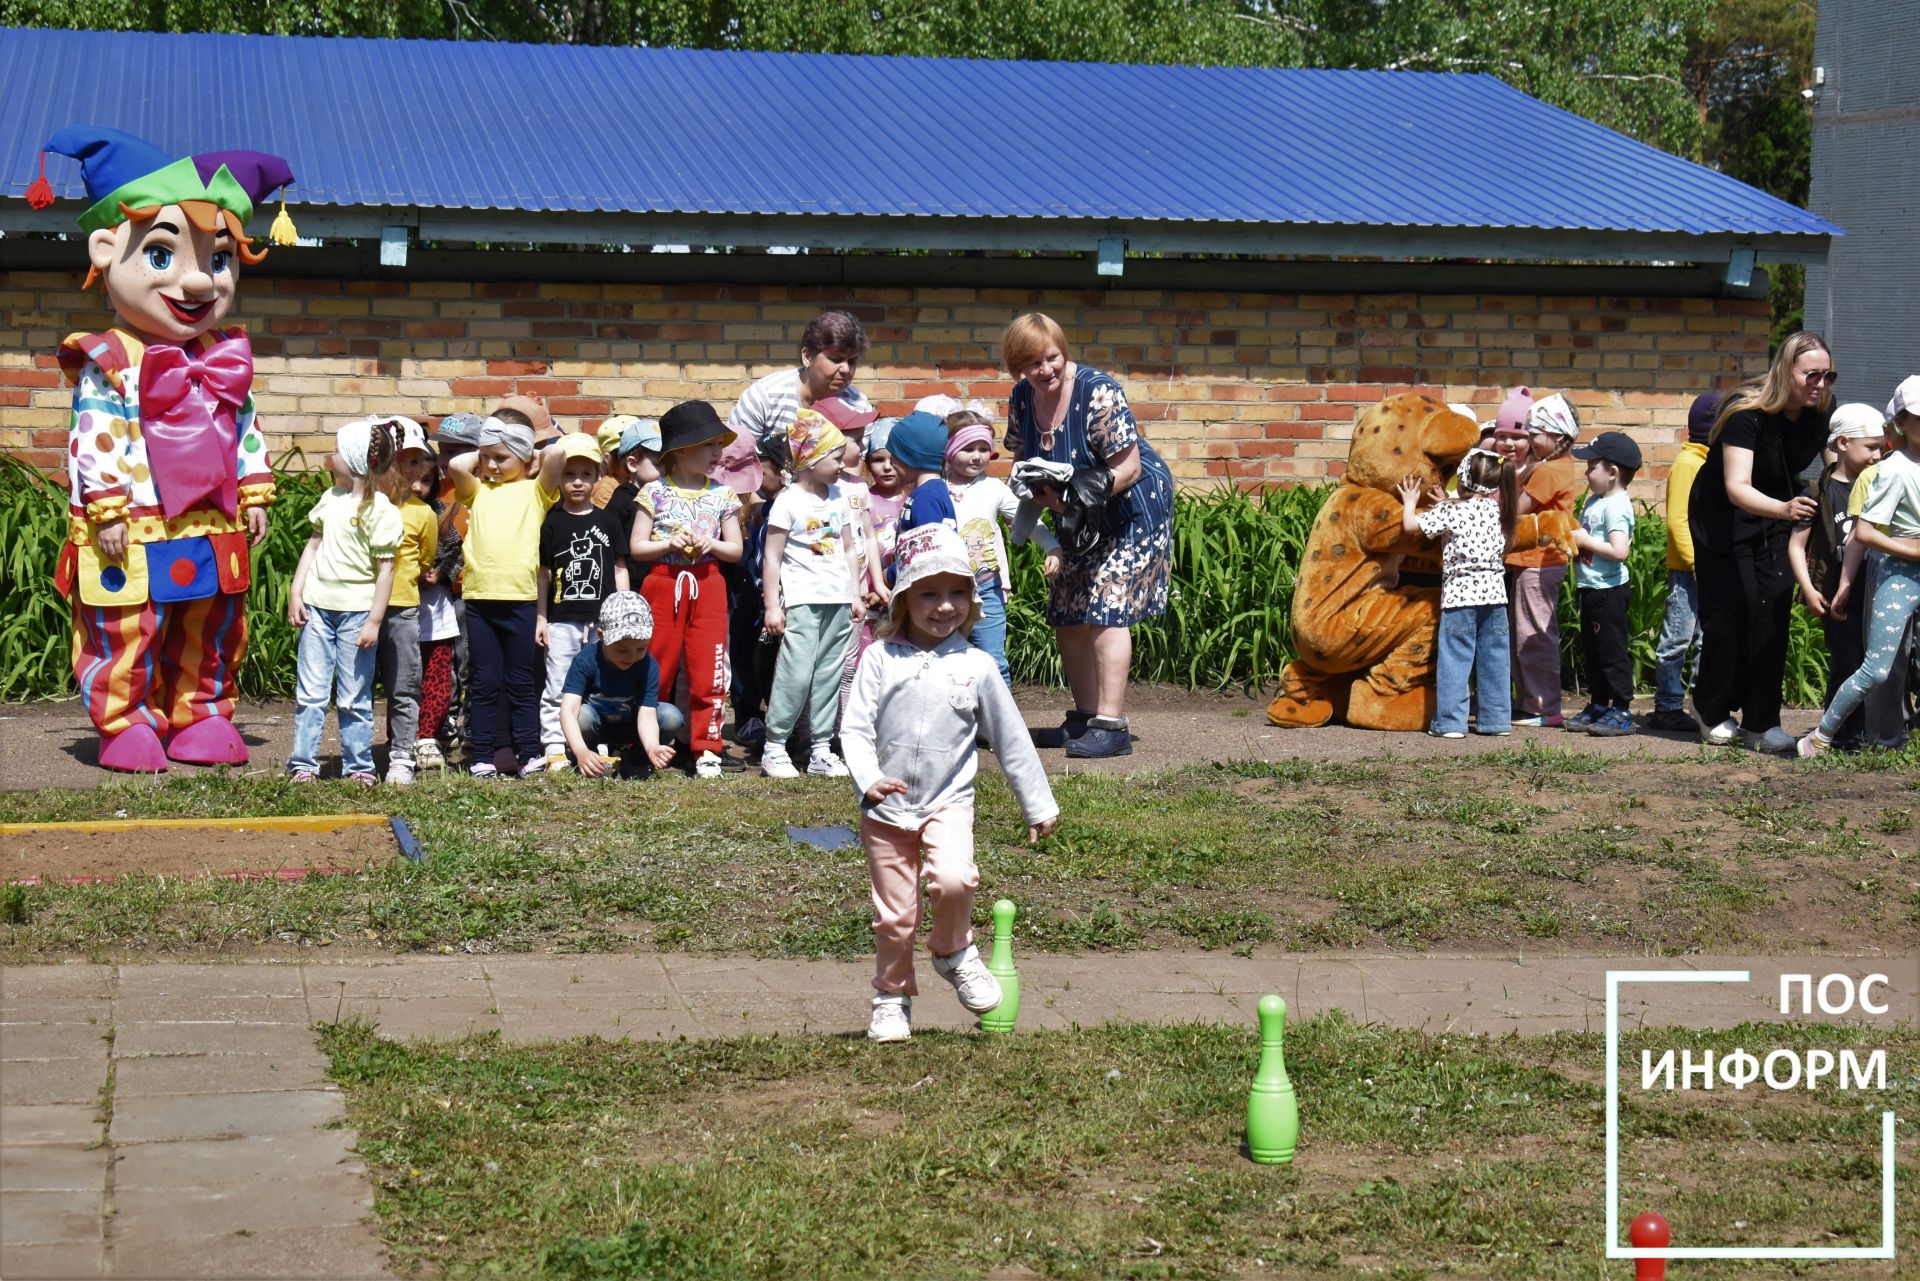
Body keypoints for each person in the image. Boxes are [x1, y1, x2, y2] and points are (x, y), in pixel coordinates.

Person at [842, 524, 1060, 1043]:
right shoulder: (880, 658)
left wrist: (1037, 803)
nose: (945, 607)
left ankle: (952, 949)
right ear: (904, 599)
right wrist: (869, 780)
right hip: (886, 813)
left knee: (956, 879)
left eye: (958, 592)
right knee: (895, 917)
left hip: (949, 804)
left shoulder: (978, 666)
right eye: (930, 594)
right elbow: (853, 728)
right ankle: (892, 998)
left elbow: (1011, 740)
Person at [1002, 313, 1174, 759]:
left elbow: (1128, 467)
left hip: (1131, 507)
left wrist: (1073, 499)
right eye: (1033, 364)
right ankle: (1083, 719)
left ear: (1063, 350)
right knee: (1069, 609)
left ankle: (1111, 726)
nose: (1046, 370)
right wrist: (1031, 496)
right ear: (1018, 367)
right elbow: (1024, 459)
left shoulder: (1098, 391)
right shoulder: (1021, 397)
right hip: (1073, 511)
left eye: (1052, 357)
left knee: (1106, 607)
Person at [1689, 333, 1835, 752]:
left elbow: (1835, 466)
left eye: (1828, 375)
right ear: (1785, 371)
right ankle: (1710, 709)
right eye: (1811, 374)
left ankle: (1761, 722)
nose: (1820, 383)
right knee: (1735, 611)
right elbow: (1736, 487)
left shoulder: (1821, 413)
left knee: (1772, 610)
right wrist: (1786, 511)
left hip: (1777, 512)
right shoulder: (1746, 415)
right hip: (1725, 519)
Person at [1800, 384, 1920, 756]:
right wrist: (1912, 551)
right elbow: (1865, 532)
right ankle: (1820, 736)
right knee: (1880, 669)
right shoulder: (1895, 470)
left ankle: (1894, 737)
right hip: (1898, 576)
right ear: (1900, 422)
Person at [630, 400, 744, 779]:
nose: (718, 452)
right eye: (709, 444)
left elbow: (736, 550)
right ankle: (651, 742)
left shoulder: (723, 495)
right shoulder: (654, 492)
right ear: (679, 451)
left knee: (708, 666)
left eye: (719, 443)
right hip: (662, 582)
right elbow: (637, 548)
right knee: (657, 664)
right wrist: (669, 544)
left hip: (708, 584)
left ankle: (706, 746)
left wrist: (709, 544)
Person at [447, 418, 565, 778]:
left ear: (525, 458)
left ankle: (529, 751)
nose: (491, 465)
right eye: (486, 458)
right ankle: (481, 754)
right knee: (484, 681)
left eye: (501, 458)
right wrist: (488, 450)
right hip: (480, 600)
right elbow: (455, 465)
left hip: (521, 599)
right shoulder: (478, 490)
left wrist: (531, 454)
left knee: (521, 681)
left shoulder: (536, 491)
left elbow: (558, 453)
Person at [286, 420, 403, 783]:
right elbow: (313, 547)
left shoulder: (383, 512)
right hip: (318, 611)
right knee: (310, 693)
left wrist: (373, 621)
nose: (329, 456)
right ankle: (302, 765)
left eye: (336, 451)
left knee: (354, 696)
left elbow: (386, 572)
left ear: (352, 460)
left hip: (356, 616)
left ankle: (359, 767)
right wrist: (296, 592)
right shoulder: (329, 501)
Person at [760, 409, 865, 779]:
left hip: (838, 600)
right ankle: (775, 746)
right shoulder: (788, 501)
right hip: (803, 600)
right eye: (836, 457)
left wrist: (855, 594)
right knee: (796, 672)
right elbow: (772, 558)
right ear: (811, 458)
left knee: (829, 674)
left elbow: (850, 548)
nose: (842, 464)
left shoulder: (840, 497)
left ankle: (821, 748)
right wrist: (773, 605)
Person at [1788, 404, 1888, 751]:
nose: (1878, 454)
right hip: (1837, 599)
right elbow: (1797, 546)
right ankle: (1843, 734)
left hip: (1878, 592)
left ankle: (1872, 730)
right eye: (1871, 446)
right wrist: (1809, 588)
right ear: (1843, 442)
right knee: (1846, 662)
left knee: (1876, 663)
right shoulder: (1819, 492)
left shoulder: (1883, 485)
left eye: (1882, 446)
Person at [1397, 448, 1517, 739]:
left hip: (1459, 599)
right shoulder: (1501, 511)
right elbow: (1469, 513)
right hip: (1496, 599)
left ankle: (1451, 723)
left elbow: (1411, 526)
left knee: (1456, 660)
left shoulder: (1450, 510)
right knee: (1495, 661)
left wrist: (1410, 503)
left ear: (1463, 478)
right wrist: (1447, 502)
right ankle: (1497, 721)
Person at [536, 433, 630, 772]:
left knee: (598, 685)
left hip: (602, 622)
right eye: (569, 474)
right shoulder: (552, 522)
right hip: (562, 619)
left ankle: (594, 744)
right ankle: (554, 747)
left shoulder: (608, 521)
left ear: (598, 476)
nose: (577, 482)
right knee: (558, 683)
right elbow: (544, 573)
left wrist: (621, 614)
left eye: (586, 474)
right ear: (558, 478)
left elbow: (620, 568)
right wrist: (542, 617)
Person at [947, 410, 1061, 687]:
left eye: (983, 449)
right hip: (944, 588)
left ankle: (1000, 726)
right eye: (968, 448)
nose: (977, 456)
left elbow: (1027, 519)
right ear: (949, 449)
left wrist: (1052, 547)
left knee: (993, 659)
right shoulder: (935, 488)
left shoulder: (993, 489)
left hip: (986, 587)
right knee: (946, 658)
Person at [717, 310, 874, 496]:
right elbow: (733, 463)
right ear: (807, 357)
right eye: (836, 359)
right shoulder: (765, 396)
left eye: (852, 361)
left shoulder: (858, 406)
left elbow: (851, 471)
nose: (846, 369)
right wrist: (758, 508)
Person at [1504, 390, 1581, 727]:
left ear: (1557, 435)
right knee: (1527, 633)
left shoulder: (1547, 473)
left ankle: (1543, 707)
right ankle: (1532, 701)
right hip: (1539, 563)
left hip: (1537, 562)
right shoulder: (1557, 466)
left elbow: (1515, 511)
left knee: (1532, 635)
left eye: (1536, 434)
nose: (1530, 440)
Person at [1648, 394, 1719, 733]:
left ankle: (1701, 704)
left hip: (1707, 566)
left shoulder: (1710, 461)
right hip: (1689, 568)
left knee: (1706, 639)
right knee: (1677, 638)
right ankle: (1667, 705)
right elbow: (1678, 519)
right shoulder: (1689, 463)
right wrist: (1694, 562)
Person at [375, 417, 438, 785]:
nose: (410, 469)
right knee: (359, 685)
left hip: (402, 607)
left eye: (418, 461)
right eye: (403, 459)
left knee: (404, 684)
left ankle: (401, 755)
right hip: (361, 606)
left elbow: (425, 557)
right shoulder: (367, 504)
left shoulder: (422, 513)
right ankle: (359, 756)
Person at [1567, 432, 1642, 736]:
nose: (1586, 473)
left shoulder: (1616, 507)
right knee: (1594, 652)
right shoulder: (1596, 501)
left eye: (1591, 467)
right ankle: (1599, 703)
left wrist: (1585, 540)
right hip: (1591, 589)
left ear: (1612, 473)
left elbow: (1619, 552)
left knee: (1611, 652)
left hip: (1608, 593)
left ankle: (1622, 709)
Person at [559, 592, 676, 780]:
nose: (631, 657)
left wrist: (652, 746)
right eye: (622, 649)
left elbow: (647, 715)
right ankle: (589, 760)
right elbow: (568, 710)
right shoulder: (586, 660)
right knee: (583, 716)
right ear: (602, 636)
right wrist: (580, 750)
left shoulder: (648, 665)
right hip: (597, 726)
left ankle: (637, 759)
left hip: (631, 726)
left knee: (670, 716)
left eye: (641, 648)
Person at [412, 447, 462, 771]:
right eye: (411, 479)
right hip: (402, 608)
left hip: (437, 608)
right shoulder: (390, 513)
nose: (418, 487)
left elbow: (457, 553)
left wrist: (442, 573)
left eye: (426, 481)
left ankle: (429, 735)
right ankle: (404, 737)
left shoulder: (440, 512)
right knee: (405, 677)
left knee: (439, 675)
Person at [887, 410, 959, 537]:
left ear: (910, 457)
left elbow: (929, 552)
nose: (890, 462)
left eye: (894, 455)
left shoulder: (926, 498)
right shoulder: (931, 491)